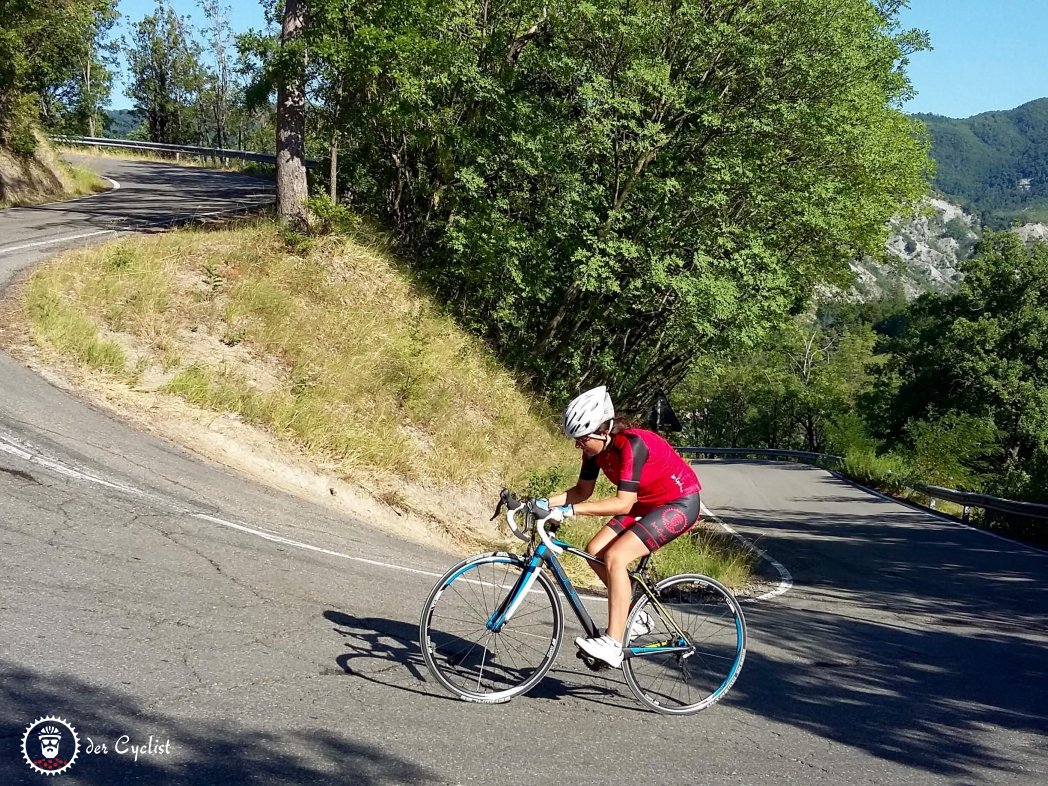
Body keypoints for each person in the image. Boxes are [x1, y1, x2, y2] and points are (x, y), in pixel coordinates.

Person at [541, 385, 702, 668]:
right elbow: (581, 491)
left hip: (679, 503)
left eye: (581, 439)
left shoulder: (632, 444)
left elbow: (622, 503)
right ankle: (635, 615)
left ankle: (614, 644)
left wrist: (569, 512)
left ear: (603, 431)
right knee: (595, 550)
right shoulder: (594, 451)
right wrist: (542, 502)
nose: (578, 445)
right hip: (646, 503)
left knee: (616, 556)